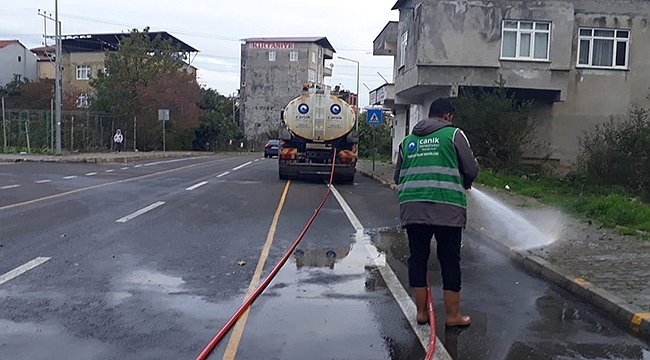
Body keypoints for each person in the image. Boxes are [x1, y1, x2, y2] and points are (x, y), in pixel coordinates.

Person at [394, 97, 479, 328]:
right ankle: (452, 317)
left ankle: (421, 313)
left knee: (418, 259)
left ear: (429, 114)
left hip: (413, 209)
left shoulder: (408, 141)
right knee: (450, 261)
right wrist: (466, 180)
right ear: (448, 116)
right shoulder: (453, 135)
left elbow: (397, 176)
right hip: (447, 208)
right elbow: (471, 168)